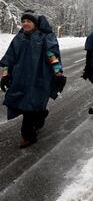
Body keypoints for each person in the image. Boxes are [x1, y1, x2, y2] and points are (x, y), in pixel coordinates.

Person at [0, 10, 66, 148]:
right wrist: (5, 75)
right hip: (20, 79)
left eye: (28, 21)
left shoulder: (44, 38)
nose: (25, 24)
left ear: (35, 23)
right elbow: (8, 58)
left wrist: (58, 74)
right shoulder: (18, 38)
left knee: (30, 107)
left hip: (39, 79)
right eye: (23, 21)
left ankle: (28, 136)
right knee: (23, 105)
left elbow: (52, 57)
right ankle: (40, 115)